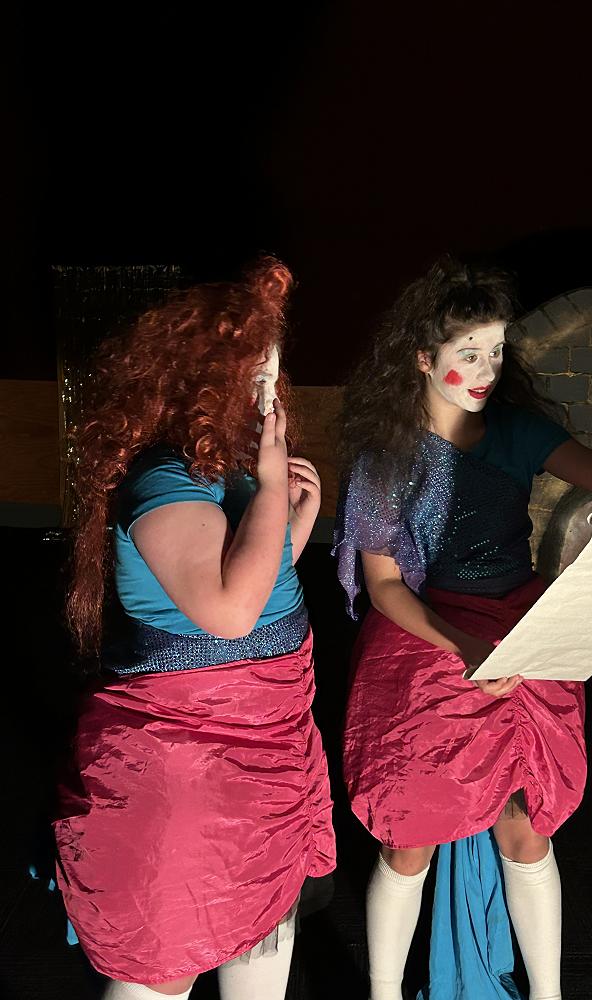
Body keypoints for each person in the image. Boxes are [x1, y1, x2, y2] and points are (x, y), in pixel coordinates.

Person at [333, 256, 592, 1000]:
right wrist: (465, 648)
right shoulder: (386, 458)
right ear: (422, 358)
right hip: (427, 637)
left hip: (522, 626)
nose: (487, 370)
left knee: (528, 827)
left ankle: (548, 993)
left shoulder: (517, 431)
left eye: (496, 351)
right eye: (468, 353)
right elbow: (385, 587)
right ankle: (384, 992)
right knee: (411, 836)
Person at [56, 258, 335, 999]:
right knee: (167, 961)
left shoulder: (227, 461)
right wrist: (271, 488)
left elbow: (251, 588)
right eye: (251, 371)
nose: (268, 389)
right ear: (195, 373)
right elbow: (229, 615)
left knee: (260, 944)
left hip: (267, 748)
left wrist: (292, 524)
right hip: (189, 763)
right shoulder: (163, 475)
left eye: (271, 369)